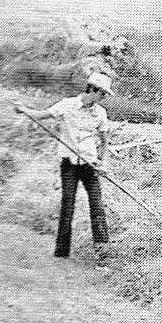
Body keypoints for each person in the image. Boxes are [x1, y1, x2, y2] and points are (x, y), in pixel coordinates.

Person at [16, 70, 112, 259]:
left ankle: (103, 252)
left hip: (90, 165)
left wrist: (102, 162)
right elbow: (43, 115)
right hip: (69, 164)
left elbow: (104, 140)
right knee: (67, 205)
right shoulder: (67, 105)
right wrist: (25, 110)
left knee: (97, 205)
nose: (103, 97)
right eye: (102, 93)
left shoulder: (101, 113)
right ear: (92, 89)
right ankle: (62, 252)